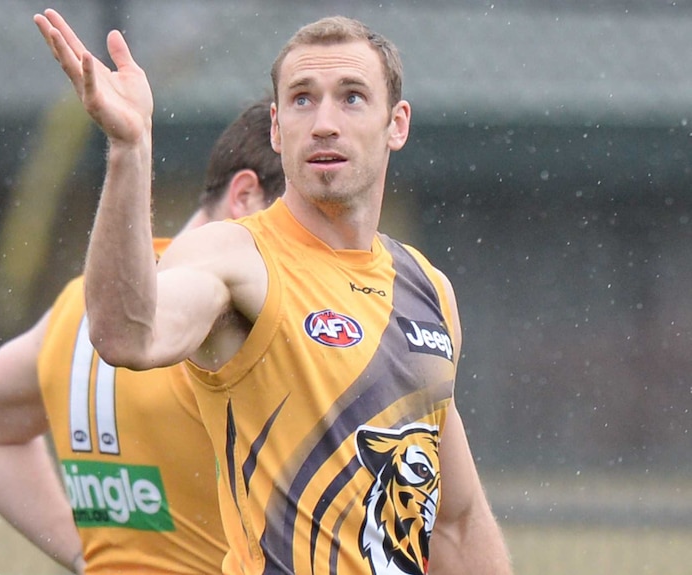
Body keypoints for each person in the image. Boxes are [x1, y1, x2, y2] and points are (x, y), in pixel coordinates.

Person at [35, 8, 512, 575]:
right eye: (303, 99)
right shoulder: (236, 255)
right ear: (276, 129)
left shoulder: (427, 288)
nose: (325, 122)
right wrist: (130, 148)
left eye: (352, 97)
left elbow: (456, 521)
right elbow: (127, 335)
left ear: (397, 124)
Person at [0, 98, 286, 575]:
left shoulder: (80, 306)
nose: (314, 253)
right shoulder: (229, 317)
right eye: (303, 224)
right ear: (245, 196)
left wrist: (91, 557)